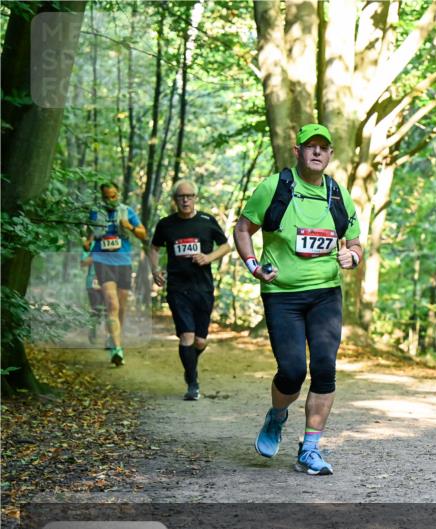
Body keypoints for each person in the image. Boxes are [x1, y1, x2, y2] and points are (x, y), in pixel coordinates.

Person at [234, 123, 363, 476]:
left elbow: (354, 243)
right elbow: (243, 228)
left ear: (330, 154)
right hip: (282, 295)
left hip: (325, 294)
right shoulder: (274, 188)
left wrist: (353, 256)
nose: (317, 152)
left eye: (324, 147)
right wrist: (253, 265)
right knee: (291, 371)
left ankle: (309, 449)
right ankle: (277, 415)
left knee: (325, 368)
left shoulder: (338, 195)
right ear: (298, 151)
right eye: (311, 146)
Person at [148, 180, 231, 401]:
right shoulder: (166, 224)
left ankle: (189, 363)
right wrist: (155, 269)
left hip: (203, 287)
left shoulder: (206, 221)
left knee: (200, 341)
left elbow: (226, 246)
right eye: (181, 197)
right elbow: (154, 248)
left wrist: (208, 257)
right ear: (174, 200)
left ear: (195, 198)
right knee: (187, 336)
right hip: (177, 288)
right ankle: (192, 383)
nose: (185, 200)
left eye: (189, 196)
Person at [85, 182, 146, 366]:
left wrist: (129, 227)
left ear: (118, 194)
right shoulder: (96, 213)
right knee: (112, 303)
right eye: (106, 197)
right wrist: (87, 244)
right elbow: (90, 236)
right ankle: (117, 350)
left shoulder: (127, 211)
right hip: (102, 261)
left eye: (113, 196)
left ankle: (113, 337)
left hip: (124, 262)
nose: (111, 200)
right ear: (101, 197)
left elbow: (143, 234)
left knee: (121, 306)